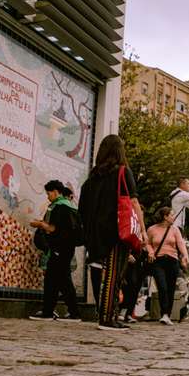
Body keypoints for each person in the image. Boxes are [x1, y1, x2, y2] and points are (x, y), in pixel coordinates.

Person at [78, 135, 147, 331]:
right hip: (117, 230)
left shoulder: (92, 178)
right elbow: (133, 203)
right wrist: (142, 230)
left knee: (104, 273)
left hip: (96, 232)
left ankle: (105, 314)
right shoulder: (123, 172)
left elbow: (83, 207)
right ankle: (108, 317)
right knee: (114, 275)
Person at [29, 180, 82, 322]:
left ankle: (71, 313)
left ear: (55, 192)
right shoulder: (69, 206)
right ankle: (50, 311)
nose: (48, 196)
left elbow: (53, 229)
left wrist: (40, 224)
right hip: (66, 248)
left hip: (59, 247)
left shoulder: (59, 207)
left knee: (61, 281)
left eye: (48, 193)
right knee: (55, 280)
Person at [147, 207, 189, 325]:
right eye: (171, 215)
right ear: (165, 217)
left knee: (170, 288)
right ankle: (164, 312)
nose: (173, 217)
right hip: (158, 261)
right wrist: (150, 251)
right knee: (162, 286)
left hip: (172, 261)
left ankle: (166, 314)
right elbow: (147, 243)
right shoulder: (152, 229)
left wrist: (185, 256)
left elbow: (180, 244)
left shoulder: (175, 230)